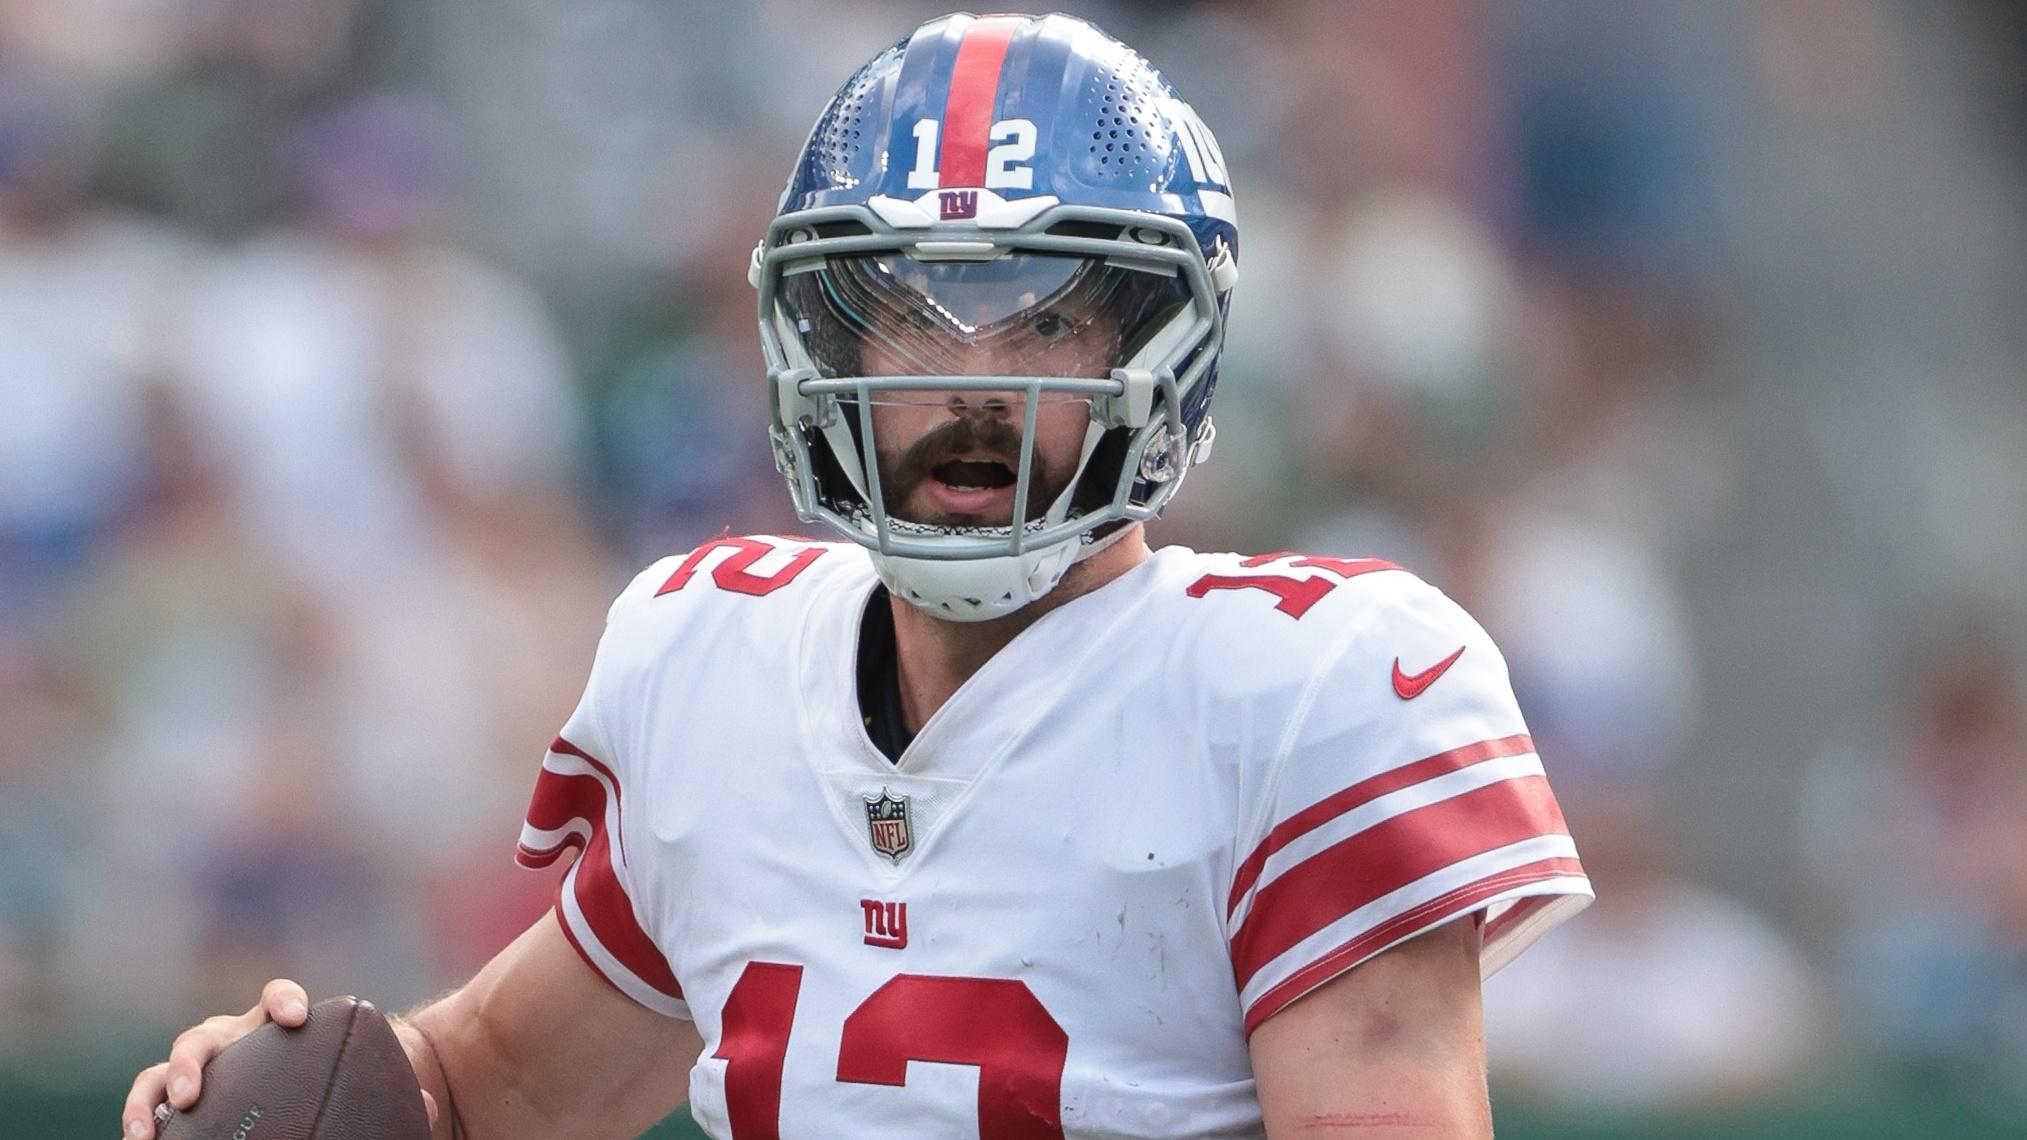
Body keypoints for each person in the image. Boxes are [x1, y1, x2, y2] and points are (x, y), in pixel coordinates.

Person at [123, 13, 1591, 1138]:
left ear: (1162, 351)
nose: (974, 386)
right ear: (821, 347)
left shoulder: (1304, 696)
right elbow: (485, 1084)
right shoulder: (716, 666)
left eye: (1044, 323)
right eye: (911, 316)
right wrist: (295, 1088)